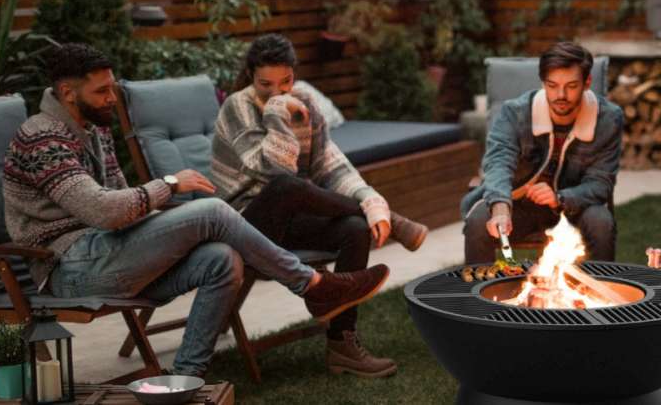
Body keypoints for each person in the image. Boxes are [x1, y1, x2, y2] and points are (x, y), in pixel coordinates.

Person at [2, 43, 388, 378]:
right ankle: (312, 285)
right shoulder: (42, 137)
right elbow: (103, 211)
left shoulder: (94, 128)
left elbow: (121, 199)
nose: (112, 99)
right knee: (212, 212)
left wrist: (165, 225)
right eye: (102, 91)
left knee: (221, 258)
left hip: (110, 252)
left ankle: (187, 377)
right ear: (68, 92)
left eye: (112, 89)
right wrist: (169, 186)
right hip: (69, 268)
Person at [211, 33, 426, 378]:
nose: (276, 91)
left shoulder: (306, 102)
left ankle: (342, 343)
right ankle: (394, 222)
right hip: (244, 223)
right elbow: (273, 169)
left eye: (285, 83)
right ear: (250, 76)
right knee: (287, 185)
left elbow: (330, 165)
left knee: (356, 230)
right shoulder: (237, 106)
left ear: (294, 75)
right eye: (265, 84)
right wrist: (279, 112)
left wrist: (370, 199)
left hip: (290, 217)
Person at [461, 42, 624, 264]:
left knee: (601, 222)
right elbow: (498, 163)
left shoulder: (608, 119)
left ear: (587, 83)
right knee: (479, 223)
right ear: (543, 83)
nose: (561, 95)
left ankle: (602, 294)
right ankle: (477, 296)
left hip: (575, 206)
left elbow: (601, 183)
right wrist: (500, 207)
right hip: (520, 205)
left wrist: (559, 198)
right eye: (552, 85)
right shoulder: (515, 113)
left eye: (572, 85)